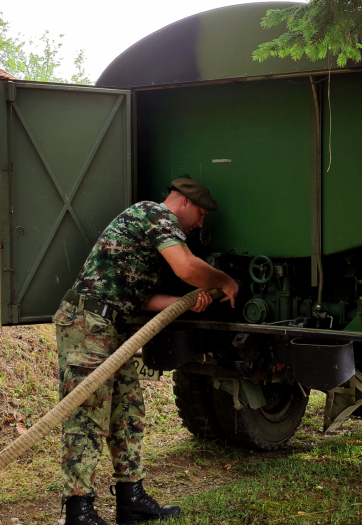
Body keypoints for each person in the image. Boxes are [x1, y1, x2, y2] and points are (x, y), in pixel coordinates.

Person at [53, 176, 239, 525]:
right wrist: (224, 281)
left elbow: (140, 296)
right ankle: (79, 511)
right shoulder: (154, 215)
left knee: (127, 410)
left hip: (111, 325)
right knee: (87, 414)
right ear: (183, 202)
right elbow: (187, 267)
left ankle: (132, 499)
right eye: (200, 213)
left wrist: (184, 302)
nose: (201, 222)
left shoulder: (152, 231)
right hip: (87, 323)